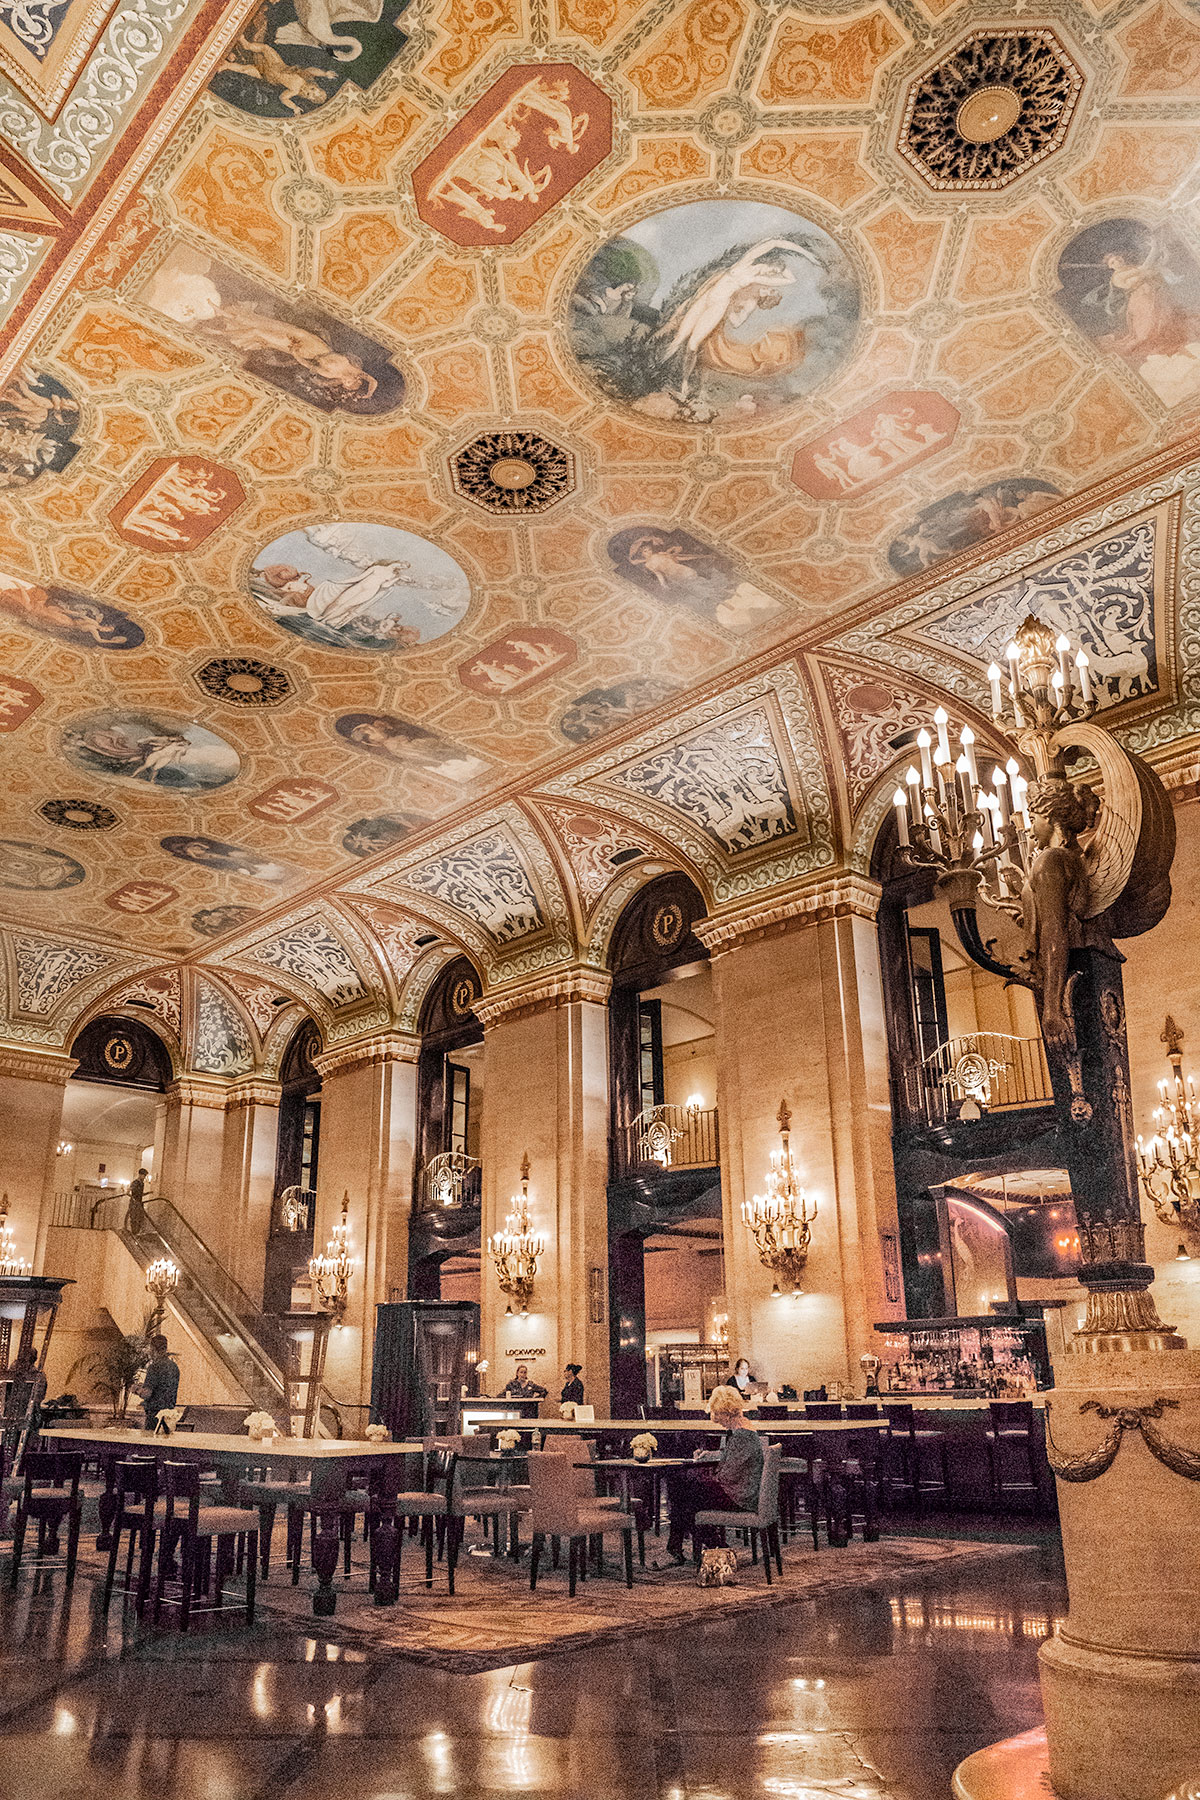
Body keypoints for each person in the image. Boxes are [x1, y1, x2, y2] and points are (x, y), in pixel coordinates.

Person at [659, 1385, 764, 1566]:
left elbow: (727, 1476)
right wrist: (710, 1455)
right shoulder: (743, 1430)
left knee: (681, 1493)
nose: (717, 1420)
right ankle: (706, 1546)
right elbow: (731, 1458)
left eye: (718, 1414)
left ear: (726, 1413)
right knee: (684, 1496)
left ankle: (716, 1546)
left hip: (739, 1495)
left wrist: (705, 1474)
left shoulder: (741, 1436)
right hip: (742, 1491)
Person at [138, 1334, 179, 1431]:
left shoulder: (154, 1367)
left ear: (152, 1349)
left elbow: (147, 1393)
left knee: (150, 1443)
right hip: (169, 1416)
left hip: (154, 1415)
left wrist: (137, 1390)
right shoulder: (174, 1367)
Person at [126, 1168, 148, 1235]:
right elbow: (128, 1192)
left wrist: (147, 1193)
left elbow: (140, 1194)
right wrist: (133, 1199)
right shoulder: (135, 1182)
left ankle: (137, 1232)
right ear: (140, 1175)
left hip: (139, 1202)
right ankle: (134, 1232)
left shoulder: (142, 1184)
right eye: (144, 1175)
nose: (144, 1177)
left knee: (140, 1218)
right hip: (134, 1203)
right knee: (134, 1218)